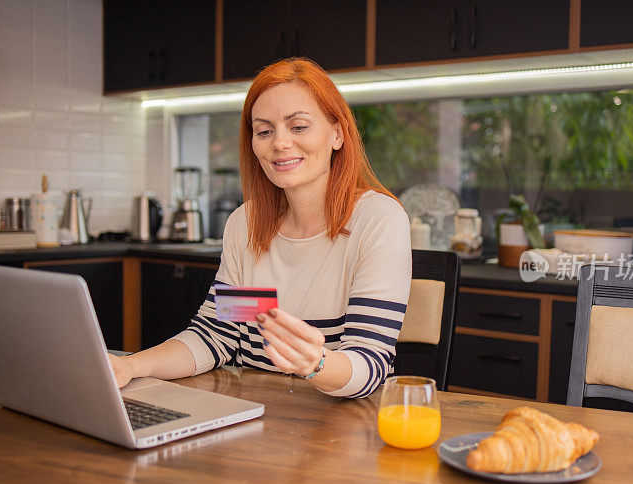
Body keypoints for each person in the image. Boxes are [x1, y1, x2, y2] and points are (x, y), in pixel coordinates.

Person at [111, 58, 411, 398]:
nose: (280, 143)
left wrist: (317, 363)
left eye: (298, 127)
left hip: (342, 424)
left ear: (337, 133)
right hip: (257, 416)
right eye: (264, 131)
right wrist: (131, 366)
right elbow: (216, 336)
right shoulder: (247, 223)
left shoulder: (377, 220)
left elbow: (369, 364)